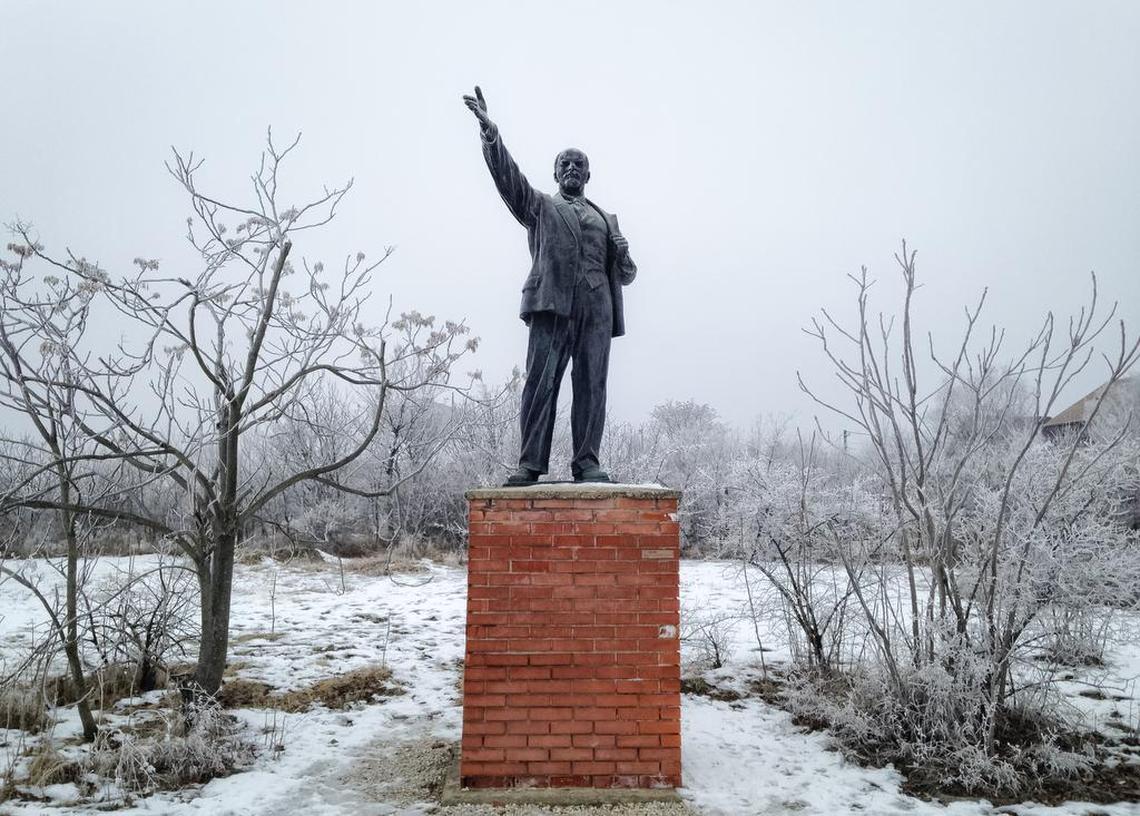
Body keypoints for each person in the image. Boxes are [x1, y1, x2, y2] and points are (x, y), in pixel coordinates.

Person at [463, 86, 637, 485]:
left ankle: (587, 462)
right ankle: (531, 463)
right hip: (551, 304)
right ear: (556, 173)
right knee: (541, 383)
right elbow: (509, 181)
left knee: (592, 385)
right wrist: (492, 135)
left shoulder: (607, 218)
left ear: (589, 174)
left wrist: (624, 255)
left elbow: (625, 275)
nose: (572, 168)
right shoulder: (540, 205)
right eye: (565, 164)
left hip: (597, 307)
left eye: (579, 164)